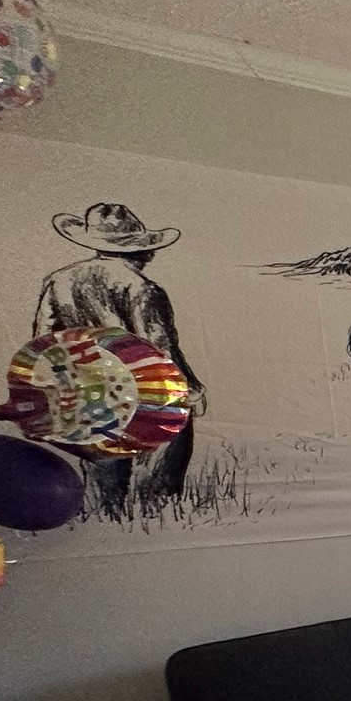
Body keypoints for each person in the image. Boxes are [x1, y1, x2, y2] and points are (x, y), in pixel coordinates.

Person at [34, 203, 205, 520]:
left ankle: (109, 517)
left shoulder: (59, 281)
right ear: (140, 252)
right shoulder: (143, 289)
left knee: (103, 467)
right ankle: (157, 515)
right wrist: (190, 390)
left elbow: (45, 339)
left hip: (86, 386)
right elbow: (161, 347)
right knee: (166, 456)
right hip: (137, 388)